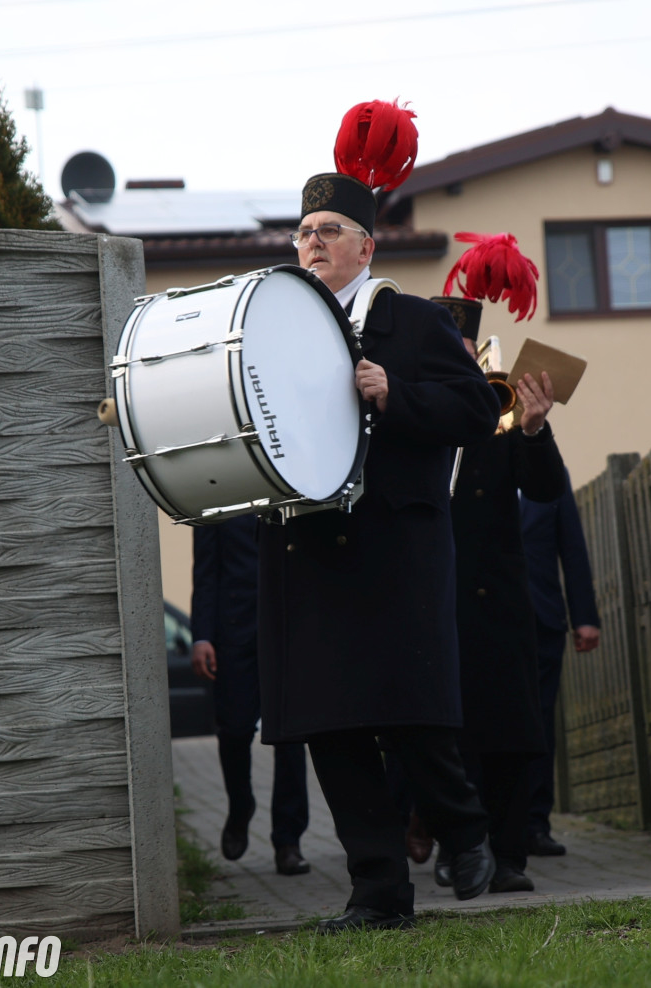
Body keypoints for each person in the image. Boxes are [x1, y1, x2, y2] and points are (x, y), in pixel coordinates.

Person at [256, 100, 503, 933]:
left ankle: (468, 830)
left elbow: (478, 412)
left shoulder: (416, 320)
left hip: (395, 548)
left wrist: (396, 394)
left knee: (410, 716)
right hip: (315, 552)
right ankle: (378, 893)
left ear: (368, 244)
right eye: (304, 231)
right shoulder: (276, 331)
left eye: (329, 229)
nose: (313, 243)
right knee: (334, 729)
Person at [428, 233, 567, 895]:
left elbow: (544, 490)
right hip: (434, 601)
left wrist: (535, 429)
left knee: (514, 731)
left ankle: (509, 854)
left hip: (500, 598)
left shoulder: (501, 410)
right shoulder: (411, 418)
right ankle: (461, 846)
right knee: (450, 736)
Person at [191, 517, 310, 876]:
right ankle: (240, 807)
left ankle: (288, 842)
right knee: (235, 731)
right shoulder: (216, 493)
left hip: (286, 631)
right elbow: (206, 572)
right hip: (232, 636)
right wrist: (201, 637)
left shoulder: (288, 486)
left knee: (290, 737)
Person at [520, 470, 601, 856]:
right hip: (481, 619)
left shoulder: (547, 467)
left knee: (539, 723)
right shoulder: (464, 462)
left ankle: (535, 824)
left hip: (542, 618)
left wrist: (584, 615)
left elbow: (572, 544)